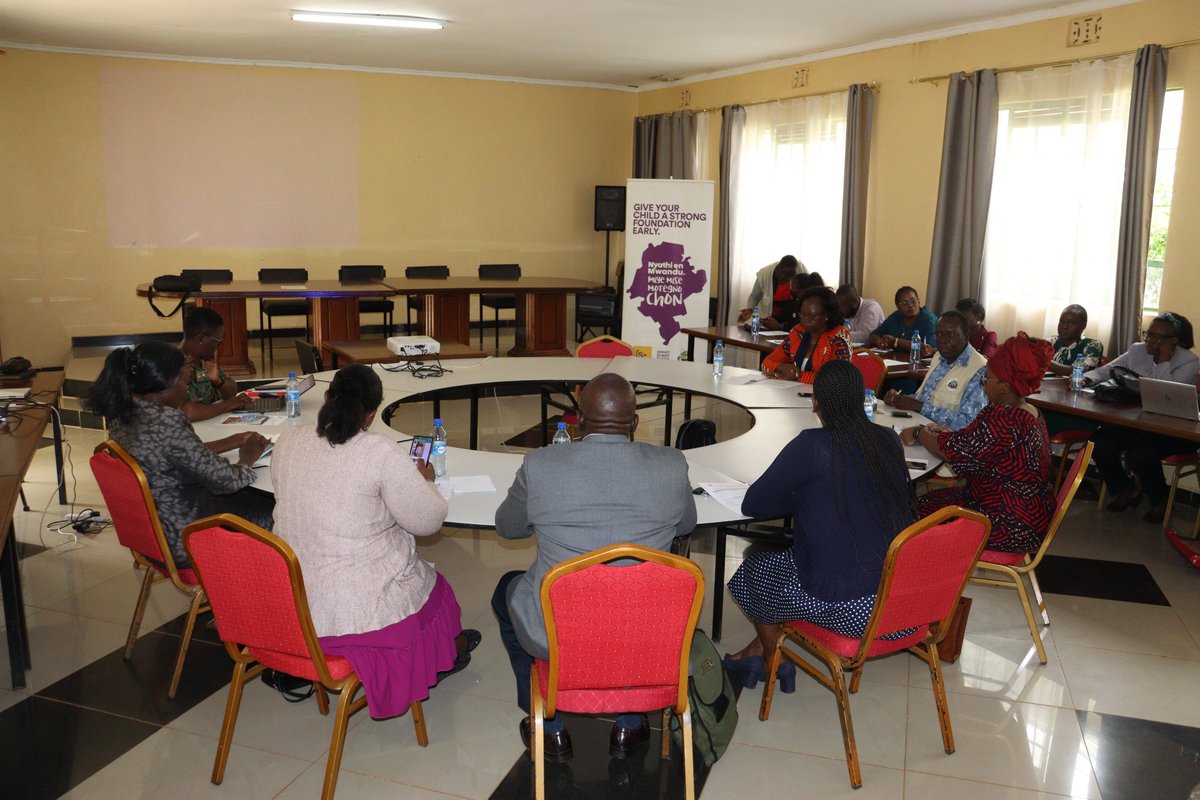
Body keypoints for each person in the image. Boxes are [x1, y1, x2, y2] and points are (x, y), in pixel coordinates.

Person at [492, 373, 696, 762]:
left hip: (560, 633)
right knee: (634, 601)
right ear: (635, 424)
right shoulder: (671, 465)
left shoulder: (541, 466)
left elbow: (508, 527)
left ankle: (548, 726)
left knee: (508, 591)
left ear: (578, 421)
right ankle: (631, 724)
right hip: (650, 635)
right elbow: (686, 527)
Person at [270, 364, 480, 719]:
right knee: (434, 585)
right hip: (352, 614)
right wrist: (424, 481)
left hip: (291, 600)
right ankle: (441, 655)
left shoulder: (290, 440)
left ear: (326, 397)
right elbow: (427, 521)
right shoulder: (379, 452)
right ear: (371, 413)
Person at [723, 360, 916, 688]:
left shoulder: (812, 445)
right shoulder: (888, 439)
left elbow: (754, 503)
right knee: (790, 567)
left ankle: (773, 657)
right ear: (862, 398)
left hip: (854, 610)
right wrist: (814, 497)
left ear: (815, 402)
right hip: (902, 603)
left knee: (750, 575)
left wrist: (803, 495)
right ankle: (761, 649)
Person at [86, 341, 274, 565]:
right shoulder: (167, 421)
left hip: (153, 532)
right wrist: (247, 458)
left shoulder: (122, 413)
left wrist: (232, 441)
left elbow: (172, 455)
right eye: (184, 381)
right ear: (167, 382)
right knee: (280, 509)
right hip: (186, 535)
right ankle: (262, 586)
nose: (186, 390)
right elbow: (227, 482)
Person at [906, 333, 1055, 553]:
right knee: (922, 502)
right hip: (1024, 512)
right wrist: (947, 434)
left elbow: (958, 454)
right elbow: (976, 444)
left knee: (911, 512)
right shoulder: (1028, 412)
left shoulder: (1006, 419)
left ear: (1004, 385)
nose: (983, 385)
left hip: (1006, 522)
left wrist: (919, 434)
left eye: (986, 379)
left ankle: (926, 571)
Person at [1081, 312, 1200, 523]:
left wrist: (1163, 359)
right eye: (1149, 334)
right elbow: (1109, 370)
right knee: (1098, 442)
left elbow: (1166, 397)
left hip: (1176, 430)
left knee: (1140, 455)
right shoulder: (1138, 350)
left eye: (1157, 337)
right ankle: (1125, 488)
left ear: (1175, 341)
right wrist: (1087, 379)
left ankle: (1160, 500)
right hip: (1140, 422)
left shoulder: (1189, 362)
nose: (1149, 340)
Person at [883, 310, 988, 430]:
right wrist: (899, 399)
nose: (943, 340)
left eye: (951, 334)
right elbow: (925, 399)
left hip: (946, 439)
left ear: (967, 335)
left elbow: (969, 423)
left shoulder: (980, 370)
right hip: (919, 426)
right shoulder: (939, 356)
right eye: (938, 334)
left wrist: (920, 407)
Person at [760, 287, 852, 383]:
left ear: (827, 315)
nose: (805, 320)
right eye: (803, 314)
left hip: (824, 396)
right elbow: (766, 363)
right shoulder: (798, 332)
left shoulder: (839, 337)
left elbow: (837, 379)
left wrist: (797, 377)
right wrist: (780, 367)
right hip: (793, 392)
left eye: (812, 316)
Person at [178, 306, 252, 422]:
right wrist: (227, 405)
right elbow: (187, 412)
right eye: (218, 342)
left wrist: (217, 381)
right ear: (201, 338)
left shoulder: (204, 361)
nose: (218, 348)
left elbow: (232, 391)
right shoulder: (173, 365)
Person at [867, 286, 939, 353]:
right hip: (895, 360)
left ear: (919, 301)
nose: (910, 305)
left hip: (919, 364)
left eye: (913, 301)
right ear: (898, 307)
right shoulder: (896, 316)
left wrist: (896, 342)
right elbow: (873, 336)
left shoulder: (929, 320)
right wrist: (879, 342)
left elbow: (928, 349)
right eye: (904, 303)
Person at [737, 255, 803, 322]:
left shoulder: (800, 271)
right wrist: (750, 309)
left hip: (790, 319)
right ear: (778, 269)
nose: (789, 279)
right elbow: (755, 296)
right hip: (768, 319)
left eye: (791, 276)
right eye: (785, 276)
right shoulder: (764, 275)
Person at [1046, 304, 1104, 377]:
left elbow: (1078, 371)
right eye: (1062, 322)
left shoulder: (1093, 345)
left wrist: (1045, 361)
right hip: (1048, 385)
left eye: (1071, 323)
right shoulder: (1052, 340)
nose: (1064, 326)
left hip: (1077, 387)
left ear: (1084, 325)